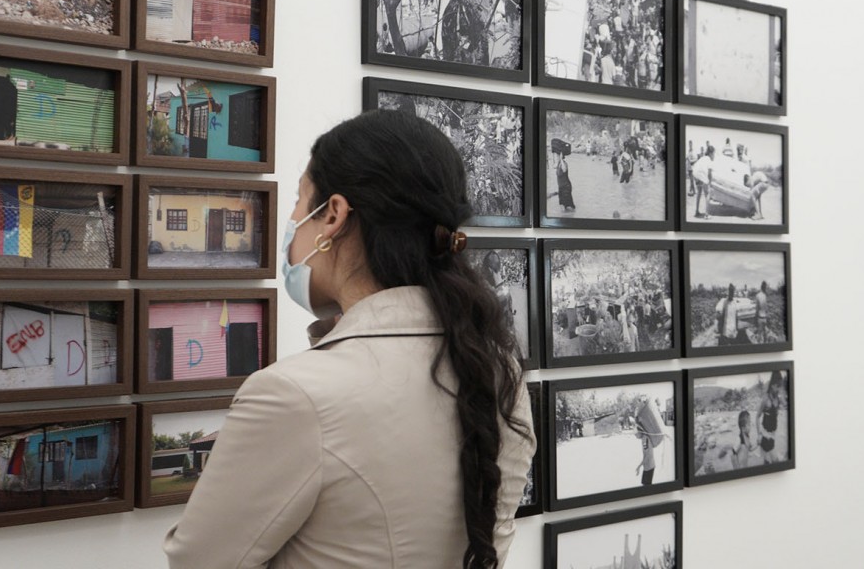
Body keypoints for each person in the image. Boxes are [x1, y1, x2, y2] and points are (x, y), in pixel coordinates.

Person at [164, 110, 535, 568]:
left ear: (334, 215)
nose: (292, 221)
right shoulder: (498, 369)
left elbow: (197, 562)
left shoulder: (293, 394)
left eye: (299, 201)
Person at [552, 138, 576, 212]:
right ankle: (567, 216)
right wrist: (555, 154)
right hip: (561, 188)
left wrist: (561, 158)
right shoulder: (557, 165)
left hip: (566, 187)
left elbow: (564, 169)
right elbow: (554, 166)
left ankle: (571, 216)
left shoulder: (564, 163)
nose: (555, 158)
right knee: (562, 205)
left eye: (556, 156)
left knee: (569, 207)